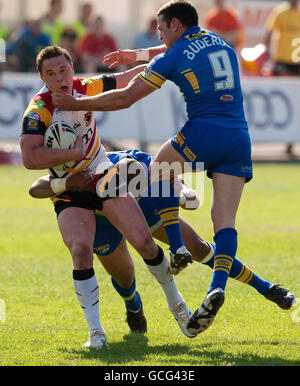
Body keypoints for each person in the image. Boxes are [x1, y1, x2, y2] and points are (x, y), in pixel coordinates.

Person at [52, 0, 257, 337]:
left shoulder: (173, 56)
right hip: (239, 137)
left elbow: (125, 98)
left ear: (175, 25)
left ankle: (175, 247)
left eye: (161, 29)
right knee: (224, 222)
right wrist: (137, 55)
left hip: (206, 130)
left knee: (160, 168)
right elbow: (175, 49)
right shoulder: (218, 39)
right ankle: (216, 287)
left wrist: (77, 103)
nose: (159, 35)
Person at [20, 45, 191, 349]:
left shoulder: (85, 88)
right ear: (42, 77)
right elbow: (30, 157)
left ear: (72, 69)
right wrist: (72, 154)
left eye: (64, 71)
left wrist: (161, 67)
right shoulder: (39, 110)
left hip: (103, 175)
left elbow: (125, 80)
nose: (60, 79)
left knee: (144, 243)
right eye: (51, 74)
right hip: (70, 188)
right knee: (81, 252)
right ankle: (96, 332)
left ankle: (176, 304)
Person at [29, 149, 296, 341]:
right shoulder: (83, 174)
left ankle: (267, 288)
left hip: (144, 209)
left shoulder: (135, 162)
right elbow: (39, 187)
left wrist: (183, 192)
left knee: (199, 248)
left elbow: (166, 172)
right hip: (101, 224)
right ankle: (133, 307)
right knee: (124, 277)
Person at [264, 0, 300, 156]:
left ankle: (291, 139)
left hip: (297, 61)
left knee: (295, 99)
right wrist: (267, 54)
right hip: (283, 60)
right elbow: (269, 33)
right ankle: (284, 136)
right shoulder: (280, 12)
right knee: (282, 97)